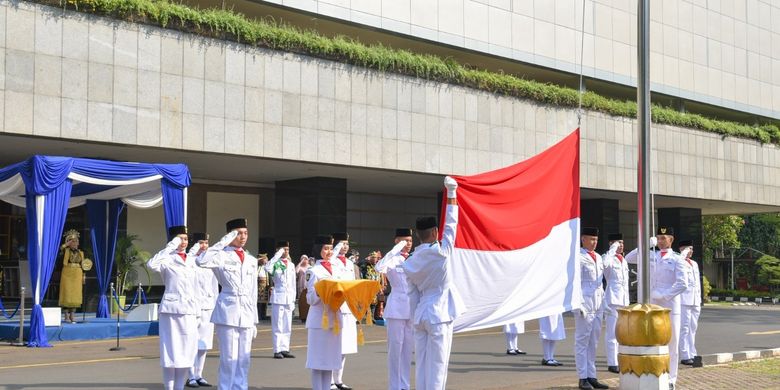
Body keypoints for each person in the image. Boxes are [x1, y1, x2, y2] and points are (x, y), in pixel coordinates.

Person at [401, 176, 466, 390]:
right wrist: (452, 192)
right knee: (438, 366)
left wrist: (414, 317)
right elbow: (452, 225)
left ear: (418, 236)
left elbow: (412, 295)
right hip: (440, 313)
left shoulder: (410, 262)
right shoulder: (441, 253)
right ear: (435, 233)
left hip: (421, 314)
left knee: (422, 365)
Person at [197, 218, 259, 390]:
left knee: (244, 358)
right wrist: (222, 242)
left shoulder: (251, 259)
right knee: (229, 358)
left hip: (246, 311)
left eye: (245, 233)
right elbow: (201, 261)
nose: (242, 237)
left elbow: (253, 291)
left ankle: (241, 387)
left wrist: (254, 320)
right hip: (228, 311)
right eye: (238, 233)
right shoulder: (221, 256)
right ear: (230, 235)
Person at [626, 226, 689, 390]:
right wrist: (648, 243)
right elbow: (629, 257)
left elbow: (683, 283)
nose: (661, 241)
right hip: (651, 305)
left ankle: (671, 379)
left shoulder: (677, 259)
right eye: (658, 238)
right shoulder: (650, 255)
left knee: (671, 342)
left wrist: (664, 295)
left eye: (664, 238)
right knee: (651, 340)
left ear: (671, 240)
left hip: (669, 305)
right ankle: (655, 375)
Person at [147, 226, 199, 390]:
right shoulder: (166, 258)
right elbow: (151, 264)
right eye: (179, 238)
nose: (183, 242)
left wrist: (198, 312)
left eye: (185, 239)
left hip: (190, 310)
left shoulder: (192, 260)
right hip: (171, 310)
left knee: (186, 352)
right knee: (171, 352)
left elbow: (195, 287)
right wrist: (170, 246)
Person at [376, 228, 414, 390]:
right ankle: (394, 386)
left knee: (408, 351)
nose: (408, 244)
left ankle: (404, 385)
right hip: (397, 309)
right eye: (404, 241)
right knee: (395, 350)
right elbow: (379, 267)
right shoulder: (392, 259)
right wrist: (396, 250)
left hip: (412, 308)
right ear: (396, 241)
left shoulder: (415, 258)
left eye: (410, 241)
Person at [305, 235, 343, 390]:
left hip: (334, 319)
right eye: (325, 248)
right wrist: (321, 292)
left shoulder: (337, 269)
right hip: (319, 320)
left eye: (330, 248)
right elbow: (310, 299)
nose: (328, 251)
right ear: (318, 250)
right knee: (317, 361)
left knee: (330, 361)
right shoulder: (313, 270)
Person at [574, 227, 609, 390]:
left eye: (596, 240)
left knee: (593, 341)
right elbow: (574, 284)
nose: (594, 242)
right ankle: (582, 377)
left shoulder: (598, 258)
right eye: (591, 239)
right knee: (582, 341)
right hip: (585, 302)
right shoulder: (578, 257)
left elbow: (600, 283)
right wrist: (578, 303)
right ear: (583, 239)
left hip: (598, 302)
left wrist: (605, 303)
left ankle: (592, 375)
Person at [186, 233, 217, 388]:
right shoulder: (188, 261)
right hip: (192, 307)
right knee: (192, 342)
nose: (204, 245)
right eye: (200, 242)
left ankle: (199, 374)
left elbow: (214, 286)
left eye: (206, 242)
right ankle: (190, 375)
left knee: (204, 344)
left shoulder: (209, 262)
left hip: (208, 306)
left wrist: (216, 306)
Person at [330, 232, 358, 390]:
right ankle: (330, 380)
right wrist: (336, 250)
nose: (344, 247)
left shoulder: (349, 263)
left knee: (345, 346)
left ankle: (339, 379)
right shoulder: (331, 261)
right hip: (335, 307)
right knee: (334, 345)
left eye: (346, 244)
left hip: (348, 308)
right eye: (341, 244)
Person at [602, 233, 629, 374]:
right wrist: (612, 249)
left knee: (621, 334)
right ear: (611, 244)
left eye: (622, 243)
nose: (621, 245)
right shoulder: (609, 258)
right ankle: (612, 363)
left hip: (623, 301)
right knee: (612, 333)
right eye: (618, 243)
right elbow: (603, 264)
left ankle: (620, 360)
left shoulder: (623, 260)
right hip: (612, 300)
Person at [265, 240, 297, 359]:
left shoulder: (291, 265)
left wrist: (293, 300)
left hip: (289, 298)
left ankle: (285, 348)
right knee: (278, 325)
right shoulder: (275, 263)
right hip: (278, 297)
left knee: (287, 325)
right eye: (283, 249)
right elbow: (267, 268)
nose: (286, 252)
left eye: (287, 250)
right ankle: (277, 349)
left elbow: (293, 283)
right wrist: (277, 255)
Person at [678, 240, 701, 366]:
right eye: (688, 249)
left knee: (693, 328)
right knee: (684, 328)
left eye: (692, 249)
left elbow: (697, 283)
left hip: (695, 300)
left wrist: (699, 299)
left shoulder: (694, 264)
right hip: (684, 300)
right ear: (682, 249)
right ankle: (684, 355)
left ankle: (692, 353)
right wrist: (683, 253)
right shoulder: (679, 261)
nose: (691, 251)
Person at [58, 229, 89, 324]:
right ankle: (66, 315)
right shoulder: (65, 251)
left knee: (75, 295)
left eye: (76, 241)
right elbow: (59, 250)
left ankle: (73, 315)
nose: (75, 243)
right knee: (66, 293)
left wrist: (84, 275)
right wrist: (66, 245)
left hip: (77, 275)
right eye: (73, 241)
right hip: (67, 273)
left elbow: (84, 265)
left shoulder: (81, 253)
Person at [360, 250, 385, 320]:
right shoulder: (365, 265)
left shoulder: (378, 266)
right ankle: (365, 316)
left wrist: (382, 286)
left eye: (375, 257)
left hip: (376, 287)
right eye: (373, 257)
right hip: (367, 287)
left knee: (374, 302)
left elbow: (381, 276)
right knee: (366, 302)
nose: (374, 259)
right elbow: (359, 265)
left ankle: (372, 317)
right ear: (370, 258)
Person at [296, 255, 311, 324]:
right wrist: (300, 262)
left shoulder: (310, 267)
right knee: (301, 301)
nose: (304, 260)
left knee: (307, 301)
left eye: (306, 259)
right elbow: (296, 271)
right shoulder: (300, 267)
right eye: (303, 259)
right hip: (301, 286)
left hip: (307, 286)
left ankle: (308, 316)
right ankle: (302, 316)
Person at [258, 254, 270, 321]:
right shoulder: (257, 267)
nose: (265, 261)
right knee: (259, 302)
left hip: (266, 285)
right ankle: (259, 315)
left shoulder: (267, 267)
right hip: (259, 285)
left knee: (265, 302)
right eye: (264, 259)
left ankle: (264, 315)